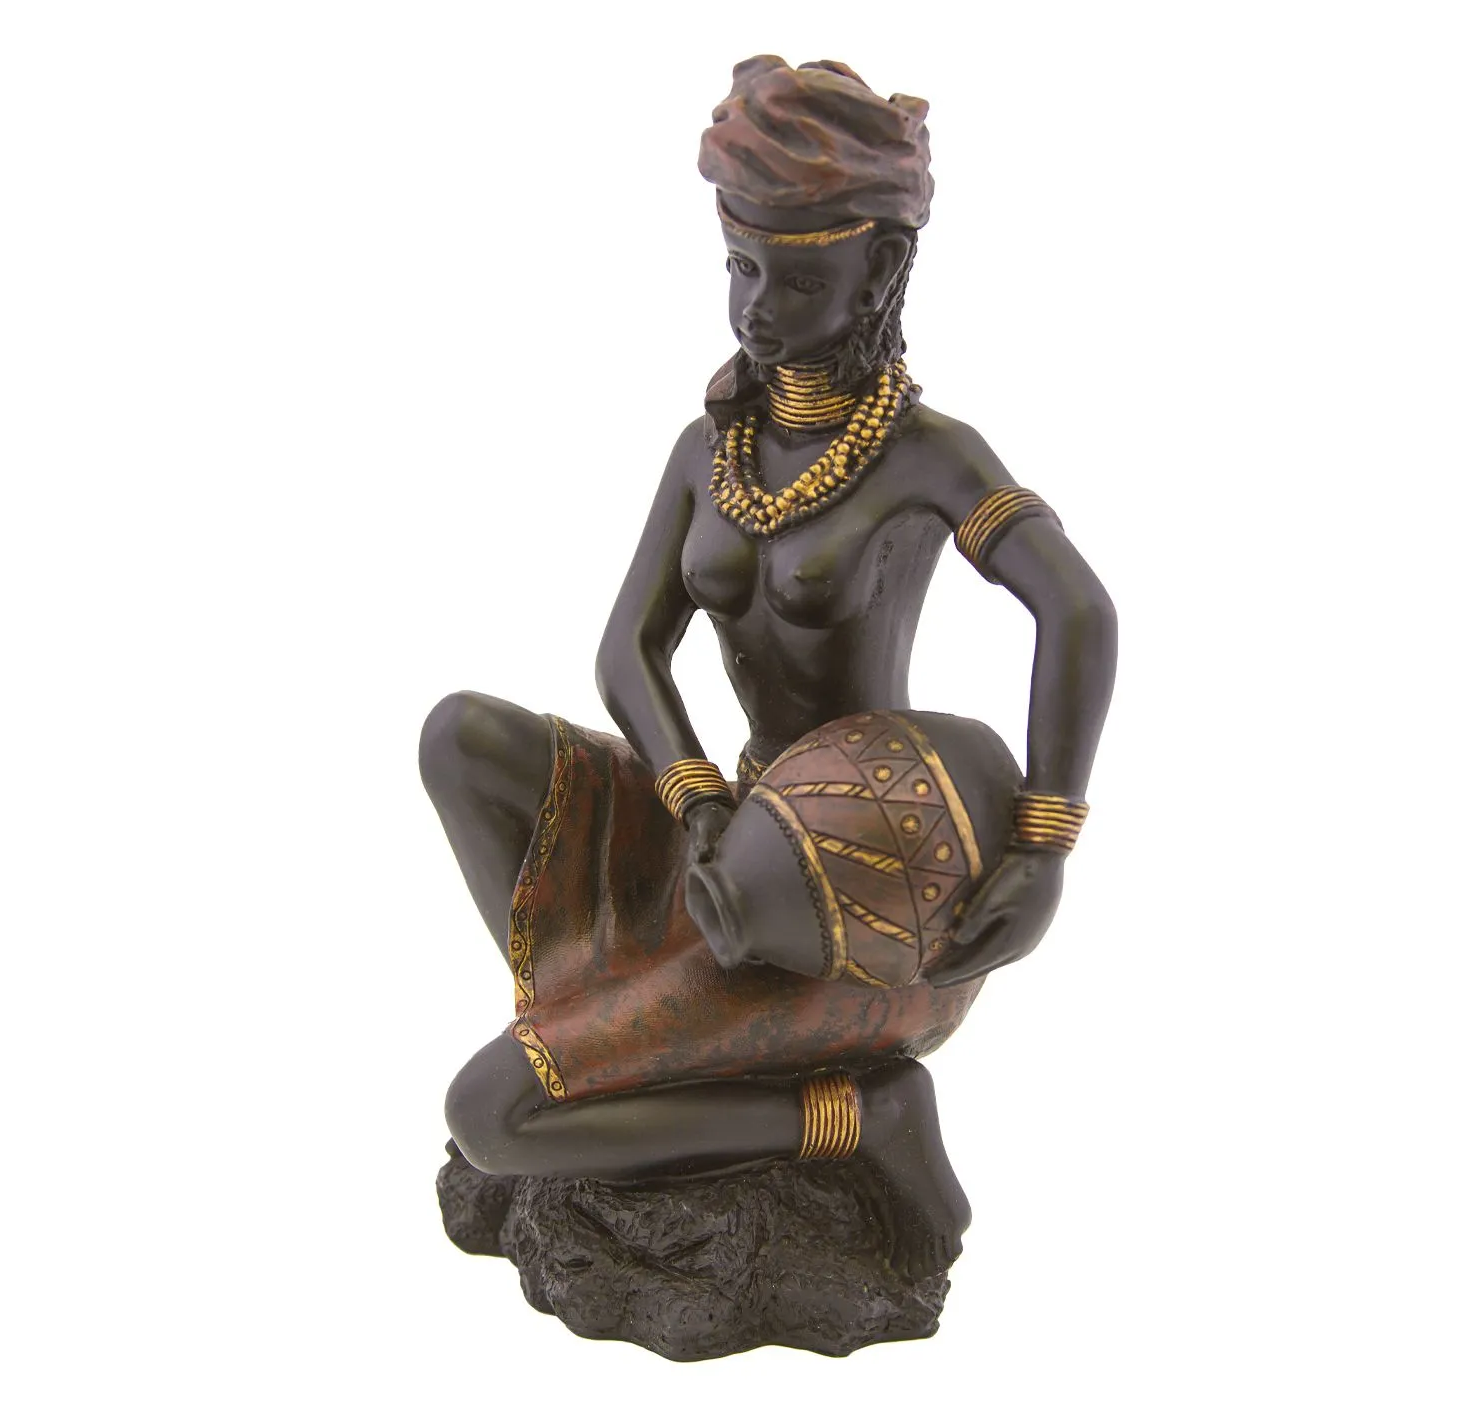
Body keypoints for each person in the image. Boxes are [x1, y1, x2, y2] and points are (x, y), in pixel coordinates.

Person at [420, 56, 1116, 1278]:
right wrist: (692, 797)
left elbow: (1077, 607)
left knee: (490, 1116)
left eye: (798, 279)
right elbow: (628, 648)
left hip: (852, 887)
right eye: (742, 269)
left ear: (879, 271)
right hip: (725, 826)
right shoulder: (709, 448)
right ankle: (601, 1023)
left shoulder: (929, 455)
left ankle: (858, 1114)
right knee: (460, 736)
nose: (758, 307)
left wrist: (1043, 845)